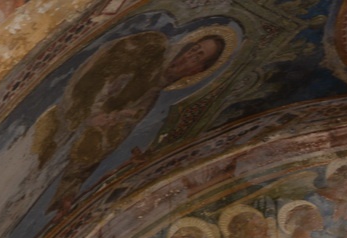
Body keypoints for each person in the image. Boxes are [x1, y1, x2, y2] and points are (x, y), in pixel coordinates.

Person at [37, 29, 232, 214]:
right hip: (57, 125)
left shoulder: (148, 101)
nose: (188, 57)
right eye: (193, 49)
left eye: (197, 57)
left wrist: (69, 191)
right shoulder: (151, 52)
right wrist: (93, 114)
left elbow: (105, 144)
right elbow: (101, 76)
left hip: (67, 149)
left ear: (197, 70)